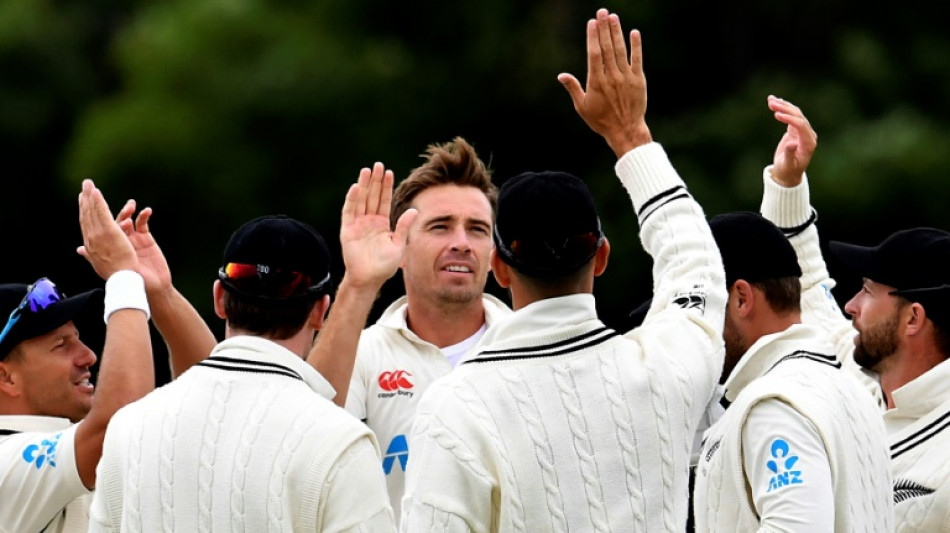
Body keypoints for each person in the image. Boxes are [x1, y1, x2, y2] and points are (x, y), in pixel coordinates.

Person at [400, 9, 726, 530]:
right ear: (602, 256)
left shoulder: (455, 406)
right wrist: (631, 136)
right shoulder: (666, 367)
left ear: (499, 267)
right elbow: (697, 265)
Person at [87, 165, 408, 531]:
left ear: (219, 299)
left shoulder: (128, 427)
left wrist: (158, 292)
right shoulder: (343, 442)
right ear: (321, 311)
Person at [756, 96, 950, 530]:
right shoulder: (861, 379)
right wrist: (787, 184)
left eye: (866, 291)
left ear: (913, 319)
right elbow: (806, 290)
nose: (850, 306)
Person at [324, 136, 511, 521]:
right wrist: (358, 284)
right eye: (441, 227)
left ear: (495, 254)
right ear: (401, 247)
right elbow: (307, 434)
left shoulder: (526, 345)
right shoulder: (363, 353)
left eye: (477, 229)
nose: (462, 243)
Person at [691, 211, 893, 531]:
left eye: (697, 306)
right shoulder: (850, 389)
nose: (690, 328)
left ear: (741, 298)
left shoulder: (773, 404)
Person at [0, 180, 154, 532]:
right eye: (60, 345)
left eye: (78, 339)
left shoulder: (66, 446)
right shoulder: (7, 461)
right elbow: (119, 424)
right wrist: (124, 277)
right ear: (5, 376)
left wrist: (160, 293)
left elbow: (202, 387)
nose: (88, 356)